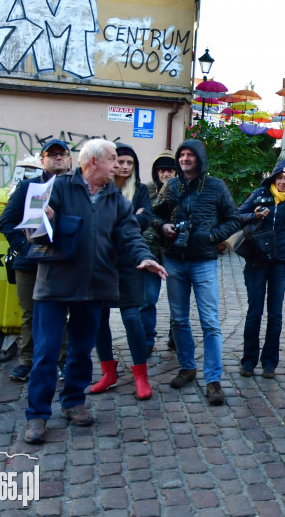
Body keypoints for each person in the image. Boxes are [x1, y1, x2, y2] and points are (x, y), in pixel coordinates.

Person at [23, 139, 166, 444]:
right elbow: (31, 233)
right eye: (113, 159)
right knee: (46, 353)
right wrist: (42, 219)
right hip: (54, 286)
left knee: (80, 352)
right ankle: (37, 415)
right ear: (92, 162)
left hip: (94, 287)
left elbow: (130, 237)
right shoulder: (55, 188)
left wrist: (145, 257)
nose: (119, 165)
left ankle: (74, 402)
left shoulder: (118, 201)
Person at [152, 139, 240, 405]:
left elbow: (233, 219)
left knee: (210, 322)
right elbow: (153, 216)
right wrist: (163, 227)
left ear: (199, 158)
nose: (185, 159)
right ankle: (187, 367)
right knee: (178, 319)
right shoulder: (171, 186)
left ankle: (213, 380)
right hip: (175, 260)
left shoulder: (215, 187)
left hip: (203, 261)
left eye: (190, 155)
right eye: (182, 155)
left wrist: (213, 236)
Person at [0, 139, 72, 384]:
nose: (58, 157)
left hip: (62, 263)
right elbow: (6, 223)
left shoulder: (75, 189)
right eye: (52, 154)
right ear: (43, 160)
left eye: (62, 154)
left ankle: (62, 361)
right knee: (30, 315)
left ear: (70, 159)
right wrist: (26, 249)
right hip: (29, 264)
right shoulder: (28, 187)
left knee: (60, 314)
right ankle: (26, 362)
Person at [88, 143, 154, 400]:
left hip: (129, 262)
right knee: (99, 319)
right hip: (102, 263)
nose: (124, 167)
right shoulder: (101, 189)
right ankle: (108, 372)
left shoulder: (140, 190)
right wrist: (128, 220)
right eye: (120, 162)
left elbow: (145, 220)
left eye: (130, 163)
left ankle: (141, 375)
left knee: (131, 317)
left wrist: (121, 222)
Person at [236, 160, 285, 378]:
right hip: (257, 259)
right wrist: (255, 216)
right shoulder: (260, 194)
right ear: (273, 178)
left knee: (275, 314)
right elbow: (237, 215)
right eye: (280, 177)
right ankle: (248, 361)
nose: (283, 182)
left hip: (280, 262)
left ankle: (269, 363)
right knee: (254, 312)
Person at [140, 149, 177, 355]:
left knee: (176, 300)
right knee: (147, 299)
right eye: (162, 170)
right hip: (151, 250)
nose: (166, 174)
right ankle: (146, 340)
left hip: (174, 251)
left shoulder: (183, 191)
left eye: (170, 170)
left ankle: (175, 337)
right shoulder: (145, 190)